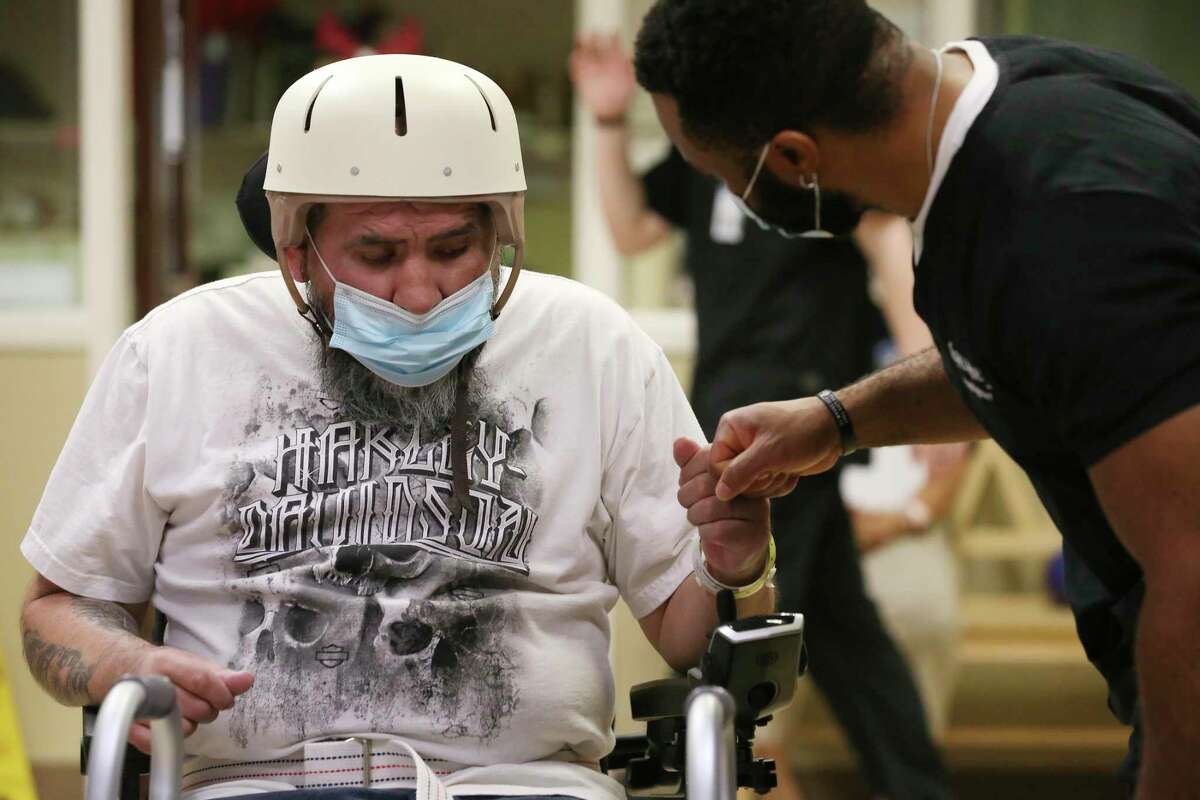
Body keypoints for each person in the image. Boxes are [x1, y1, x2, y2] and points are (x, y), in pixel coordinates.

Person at [18, 53, 775, 800]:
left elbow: (689, 636)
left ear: (501, 233)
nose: (418, 292)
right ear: (297, 251)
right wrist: (121, 662)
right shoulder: (178, 351)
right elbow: (58, 607)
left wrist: (734, 564)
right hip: (254, 786)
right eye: (374, 254)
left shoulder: (593, 348)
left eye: (454, 250)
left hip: (523, 785)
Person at [632, 0, 1200, 794]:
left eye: (724, 178)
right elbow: (1034, 358)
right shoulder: (1012, 97)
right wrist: (836, 421)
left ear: (794, 158)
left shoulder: (1065, 225)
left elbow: (1192, 570)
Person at [569, 34, 949, 799]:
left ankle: (756, 782)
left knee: (750, 649)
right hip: (727, 417)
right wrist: (608, 125)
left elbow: (886, 256)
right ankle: (916, 786)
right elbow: (631, 229)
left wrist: (941, 396)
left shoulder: (813, 155)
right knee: (846, 635)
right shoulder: (705, 154)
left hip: (802, 425)